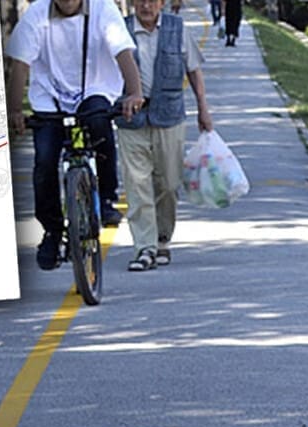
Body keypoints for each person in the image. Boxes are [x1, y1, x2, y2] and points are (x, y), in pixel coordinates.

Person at [5, 0, 145, 271]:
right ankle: (52, 231)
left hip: (95, 88)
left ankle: (105, 197)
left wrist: (134, 92)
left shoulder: (103, 9)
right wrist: (14, 110)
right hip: (50, 96)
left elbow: (123, 52)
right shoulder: (37, 14)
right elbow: (21, 64)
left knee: (99, 124)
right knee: (45, 162)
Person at [118, 0, 212, 271]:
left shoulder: (177, 28)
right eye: (141, 0)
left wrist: (203, 109)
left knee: (169, 184)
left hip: (169, 116)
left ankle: (162, 240)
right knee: (137, 185)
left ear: (162, 3)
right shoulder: (120, 31)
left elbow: (194, 71)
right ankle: (144, 248)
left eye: (153, 0)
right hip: (130, 118)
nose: (146, 6)